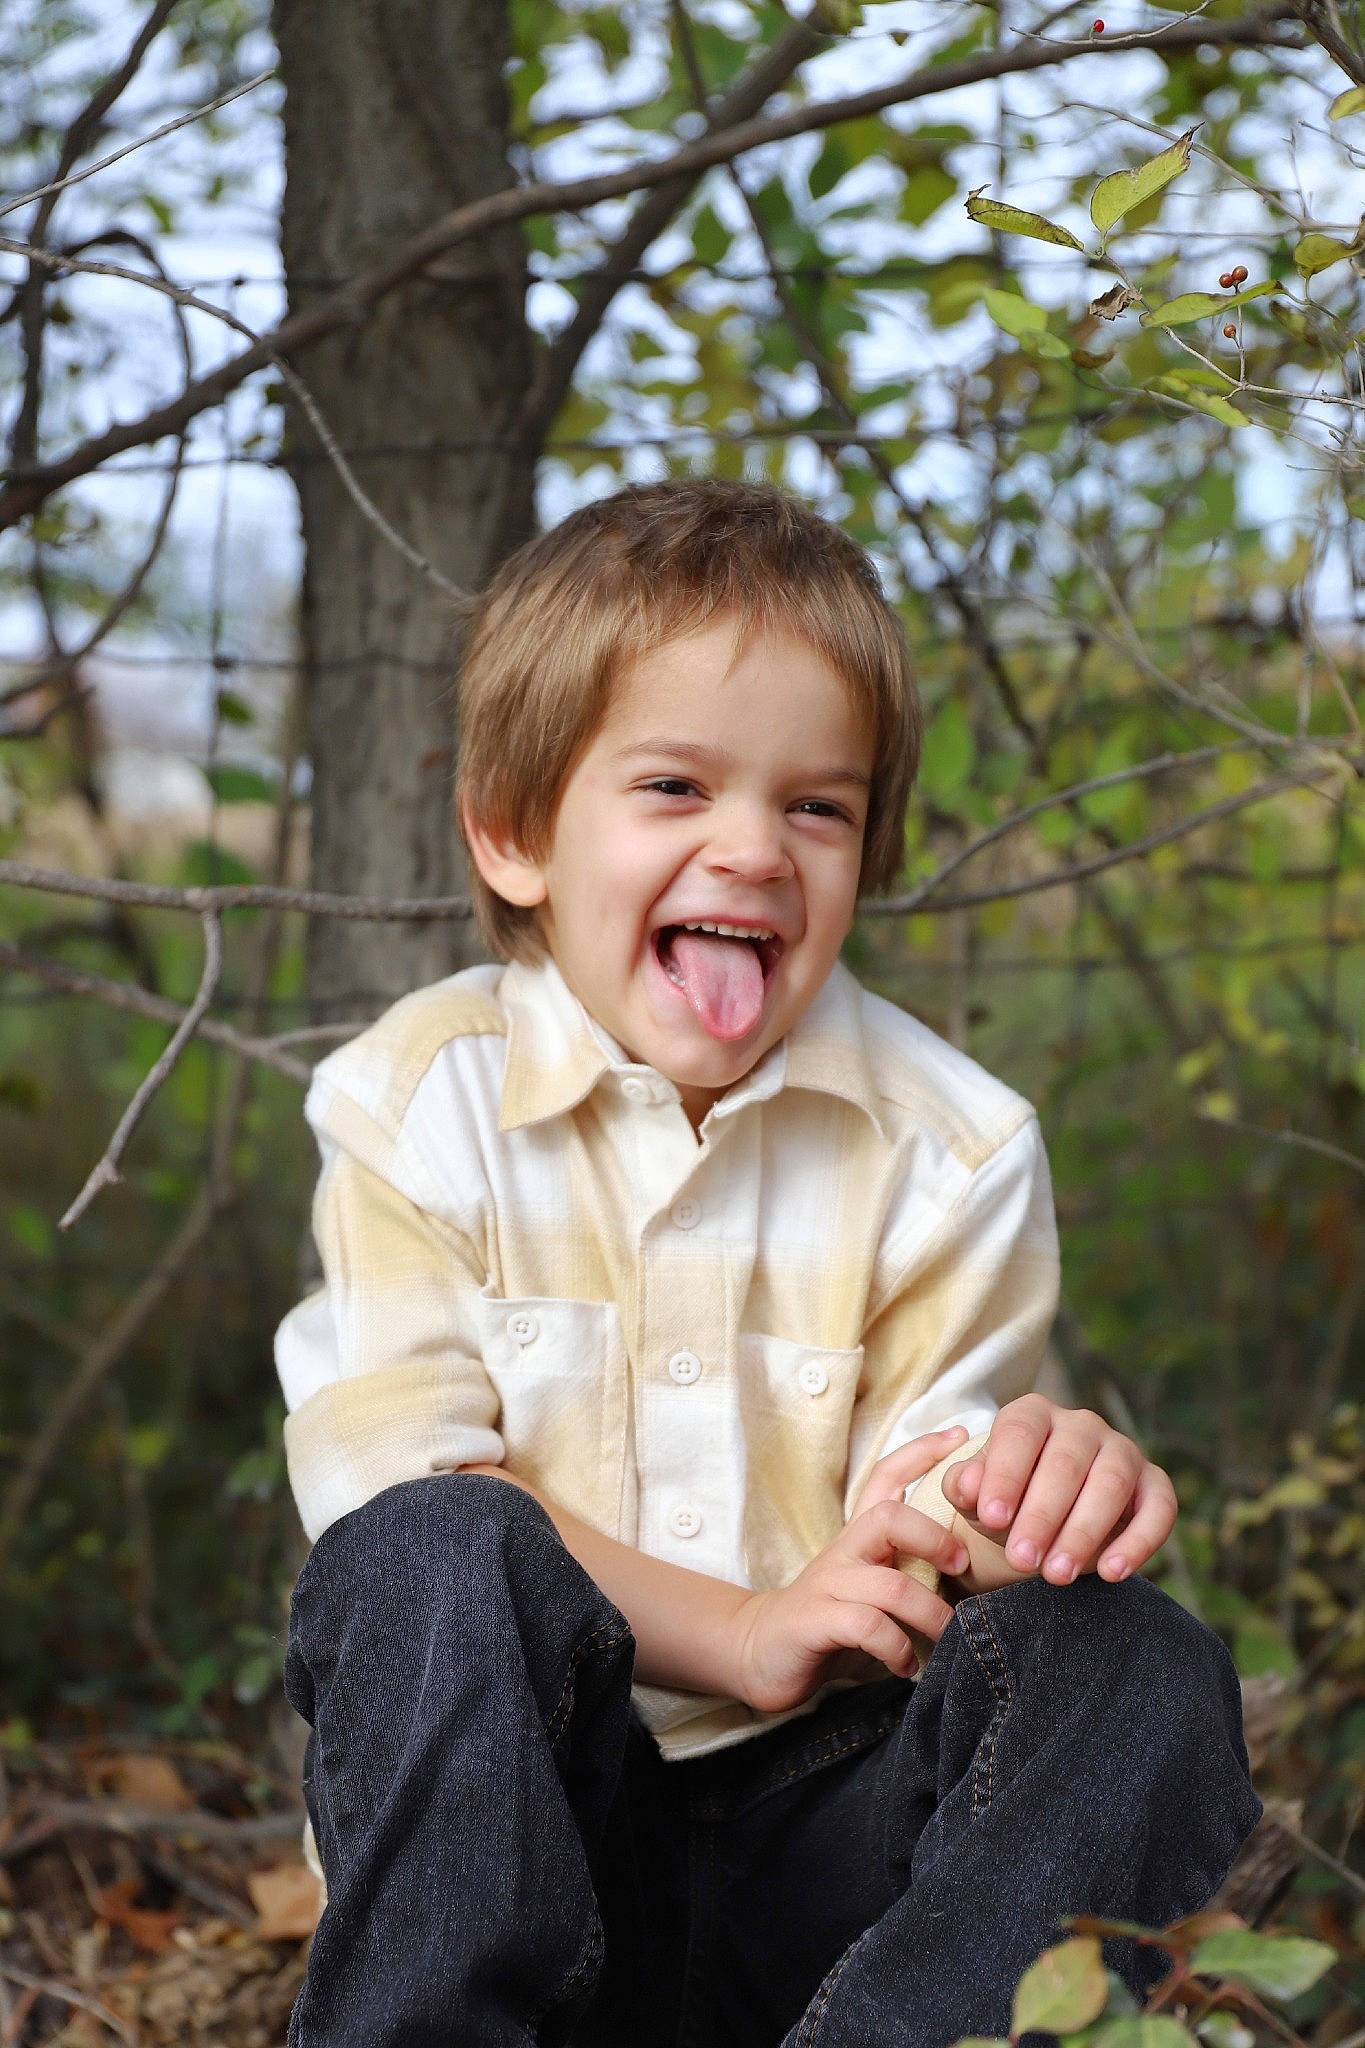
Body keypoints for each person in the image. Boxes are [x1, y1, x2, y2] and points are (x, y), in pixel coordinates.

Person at [274, 478, 1261, 2048]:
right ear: (513, 831)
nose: (752, 847)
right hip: (533, 1839)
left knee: (1128, 1656)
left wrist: (1032, 1493)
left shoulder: (950, 1145)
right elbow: (396, 1490)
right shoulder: (414, 1101)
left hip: (844, 1883)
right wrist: (732, 1631)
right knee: (429, 1555)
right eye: (674, 786)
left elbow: (924, 1525)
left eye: (818, 806)